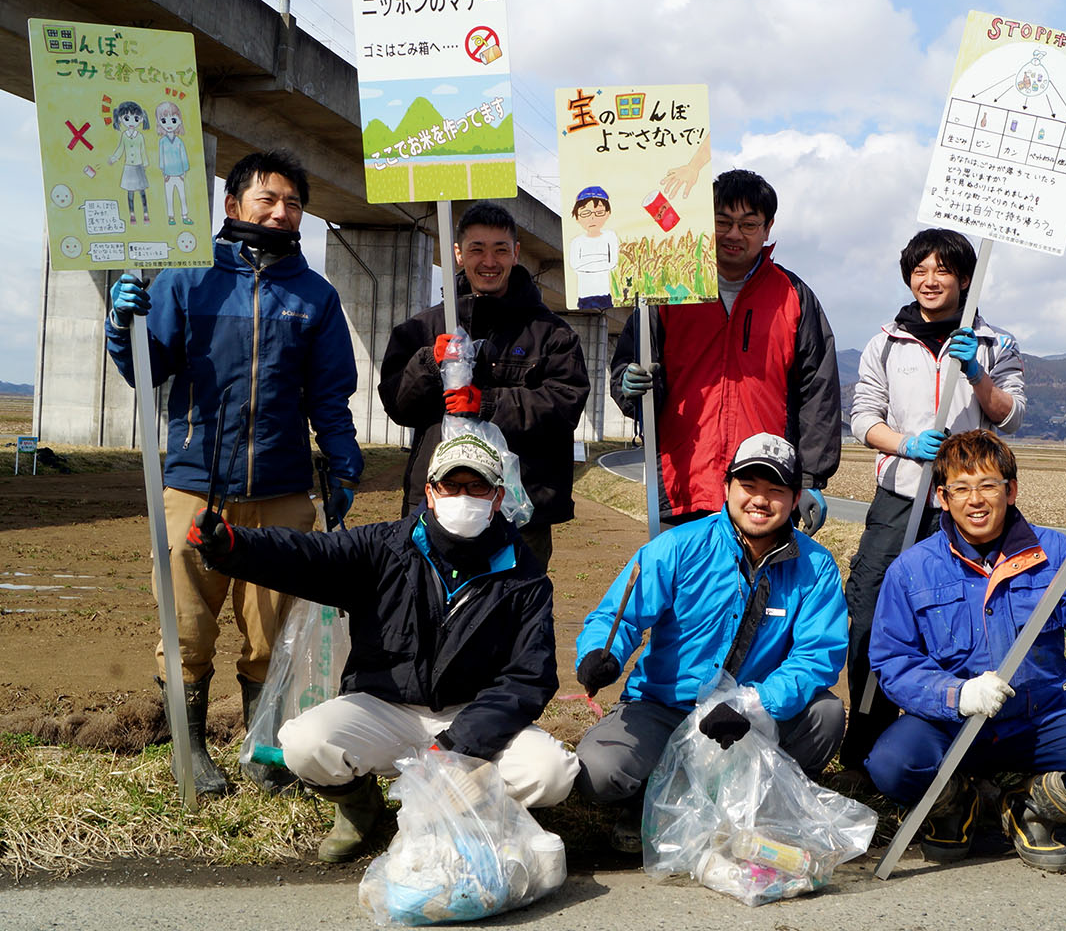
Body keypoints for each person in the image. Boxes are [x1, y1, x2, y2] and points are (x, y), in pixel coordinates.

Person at [185, 432, 579, 863]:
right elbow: (308, 556)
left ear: (498, 497)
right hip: (385, 709)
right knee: (305, 742)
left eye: (477, 487)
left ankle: (463, 810)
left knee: (551, 773)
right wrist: (233, 546)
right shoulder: (384, 547)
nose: (462, 497)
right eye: (451, 485)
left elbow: (528, 678)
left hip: (471, 718)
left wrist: (456, 746)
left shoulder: (525, 577)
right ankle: (360, 806)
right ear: (430, 493)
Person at [106, 149, 363, 797]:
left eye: (293, 203)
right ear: (233, 205)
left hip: (281, 495)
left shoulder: (314, 296)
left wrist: (343, 460)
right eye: (268, 199)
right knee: (186, 626)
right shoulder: (187, 280)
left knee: (271, 633)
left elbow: (330, 396)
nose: (281, 211)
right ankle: (190, 754)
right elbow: (147, 368)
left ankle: (263, 750)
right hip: (194, 486)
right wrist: (121, 322)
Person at [865, 430, 1066, 873]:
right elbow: (893, 661)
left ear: (1011, 490)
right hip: (949, 725)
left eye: (988, 486)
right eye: (960, 488)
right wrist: (955, 695)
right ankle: (957, 804)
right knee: (891, 765)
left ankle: (1029, 806)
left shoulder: (1055, 554)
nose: (974, 500)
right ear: (943, 497)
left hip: (1040, 721)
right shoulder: (912, 569)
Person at [573, 432, 848, 852]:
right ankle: (647, 800)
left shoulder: (817, 566)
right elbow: (619, 615)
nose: (760, 500)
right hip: (666, 706)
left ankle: (765, 799)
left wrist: (754, 705)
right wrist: (601, 653)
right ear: (727, 488)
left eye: (775, 490)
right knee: (599, 770)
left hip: (751, 714)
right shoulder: (678, 546)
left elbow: (817, 657)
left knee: (826, 713)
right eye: (749, 486)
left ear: (795, 500)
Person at [840, 228, 1026, 773]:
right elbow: (863, 419)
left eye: (942, 270)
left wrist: (977, 374)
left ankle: (957, 744)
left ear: (965, 279)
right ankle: (866, 739)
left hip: (969, 505)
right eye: (920, 270)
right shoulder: (885, 341)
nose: (929, 280)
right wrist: (906, 445)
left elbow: (1012, 416)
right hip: (899, 499)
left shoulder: (997, 343)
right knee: (870, 617)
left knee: (965, 618)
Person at [609, 169, 841, 533]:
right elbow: (631, 364)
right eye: (723, 221)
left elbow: (818, 392)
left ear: (768, 229)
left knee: (758, 589)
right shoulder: (667, 289)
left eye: (749, 224)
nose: (734, 234)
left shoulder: (793, 296)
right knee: (682, 586)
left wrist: (810, 479)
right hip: (683, 479)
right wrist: (628, 385)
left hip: (764, 488)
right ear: (706, 222)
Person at [378, 202, 589, 570]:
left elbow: (565, 403)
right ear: (457, 254)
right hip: (438, 503)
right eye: (477, 249)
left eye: (500, 249)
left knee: (516, 612)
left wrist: (488, 403)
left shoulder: (553, 333)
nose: (489, 261)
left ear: (516, 254)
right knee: (429, 608)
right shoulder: (423, 329)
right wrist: (429, 362)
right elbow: (398, 406)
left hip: (519, 511)